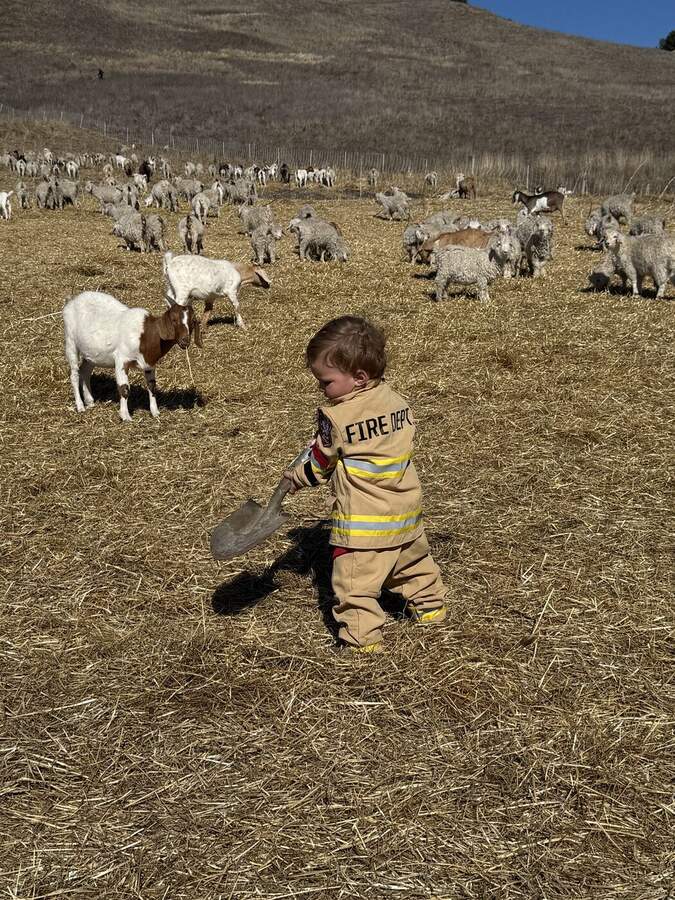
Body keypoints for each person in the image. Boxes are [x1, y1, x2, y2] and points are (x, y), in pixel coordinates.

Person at [284, 316, 447, 653]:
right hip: (404, 512)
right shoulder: (398, 403)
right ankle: (431, 608)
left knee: (355, 584)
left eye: (326, 382)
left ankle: (362, 641)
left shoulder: (336, 419)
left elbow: (320, 463)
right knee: (414, 565)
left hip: (363, 524)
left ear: (358, 378)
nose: (321, 390)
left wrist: (297, 477)